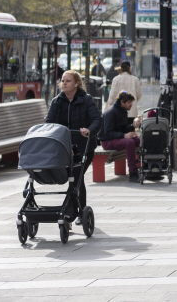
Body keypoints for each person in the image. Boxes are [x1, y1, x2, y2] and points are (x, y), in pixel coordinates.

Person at [45, 70, 102, 225]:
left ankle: (72, 213)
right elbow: (49, 122)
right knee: (75, 179)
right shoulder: (57, 101)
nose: (63, 83)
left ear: (76, 83)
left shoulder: (86, 100)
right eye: (62, 81)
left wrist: (89, 130)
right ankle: (78, 211)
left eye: (68, 81)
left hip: (84, 148)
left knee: (76, 177)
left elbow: (97, 119)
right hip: (64, 148)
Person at [98, 91, 142, 182]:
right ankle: (133, 173)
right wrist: (124, 135)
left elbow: (123, 129)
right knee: (129, 142)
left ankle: (142, 166)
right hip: (107, 141)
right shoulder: (111, 112)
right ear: (122, 102)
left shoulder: (122, 111)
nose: (131, 104)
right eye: (129, 102)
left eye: (131, 102)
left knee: (138, 140)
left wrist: (132, 127)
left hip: (116, 139)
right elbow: (107, 133)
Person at [105, 60, 142, 124]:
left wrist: (110, 109)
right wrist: (131, 102)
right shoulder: (135, 79)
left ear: (121, 69)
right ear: (129, 68)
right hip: (131, 112)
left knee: (119, 132)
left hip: (118, 112)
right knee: (130, 131)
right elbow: (139, 95)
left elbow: (112, 96)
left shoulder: (116, 79)